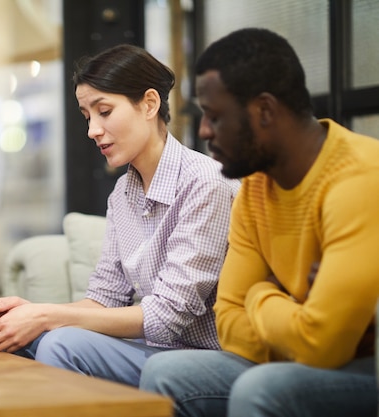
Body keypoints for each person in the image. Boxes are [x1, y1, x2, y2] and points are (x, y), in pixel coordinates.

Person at [139, 28, 379, 417]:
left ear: (264, 111)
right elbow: (229, 325)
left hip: (370, 365)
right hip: (314, 350)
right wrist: (297, 313)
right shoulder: (253, 188)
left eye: (215, 117)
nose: (202, 132)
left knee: (264, 388)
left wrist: (261, 296)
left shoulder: (359, 179)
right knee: (166, 372)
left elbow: (322, 344)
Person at [0, 44, 240, 387]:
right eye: (87, 116)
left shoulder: (205, 182)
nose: (92, 130)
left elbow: (168, 317)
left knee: (60, 342)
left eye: (105, 111)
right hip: (151, 351)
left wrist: (47, 316)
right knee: (27, 341)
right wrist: (31, 314)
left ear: (150, 104)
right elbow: (105, 298)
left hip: (205, 358)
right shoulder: (122, 197)